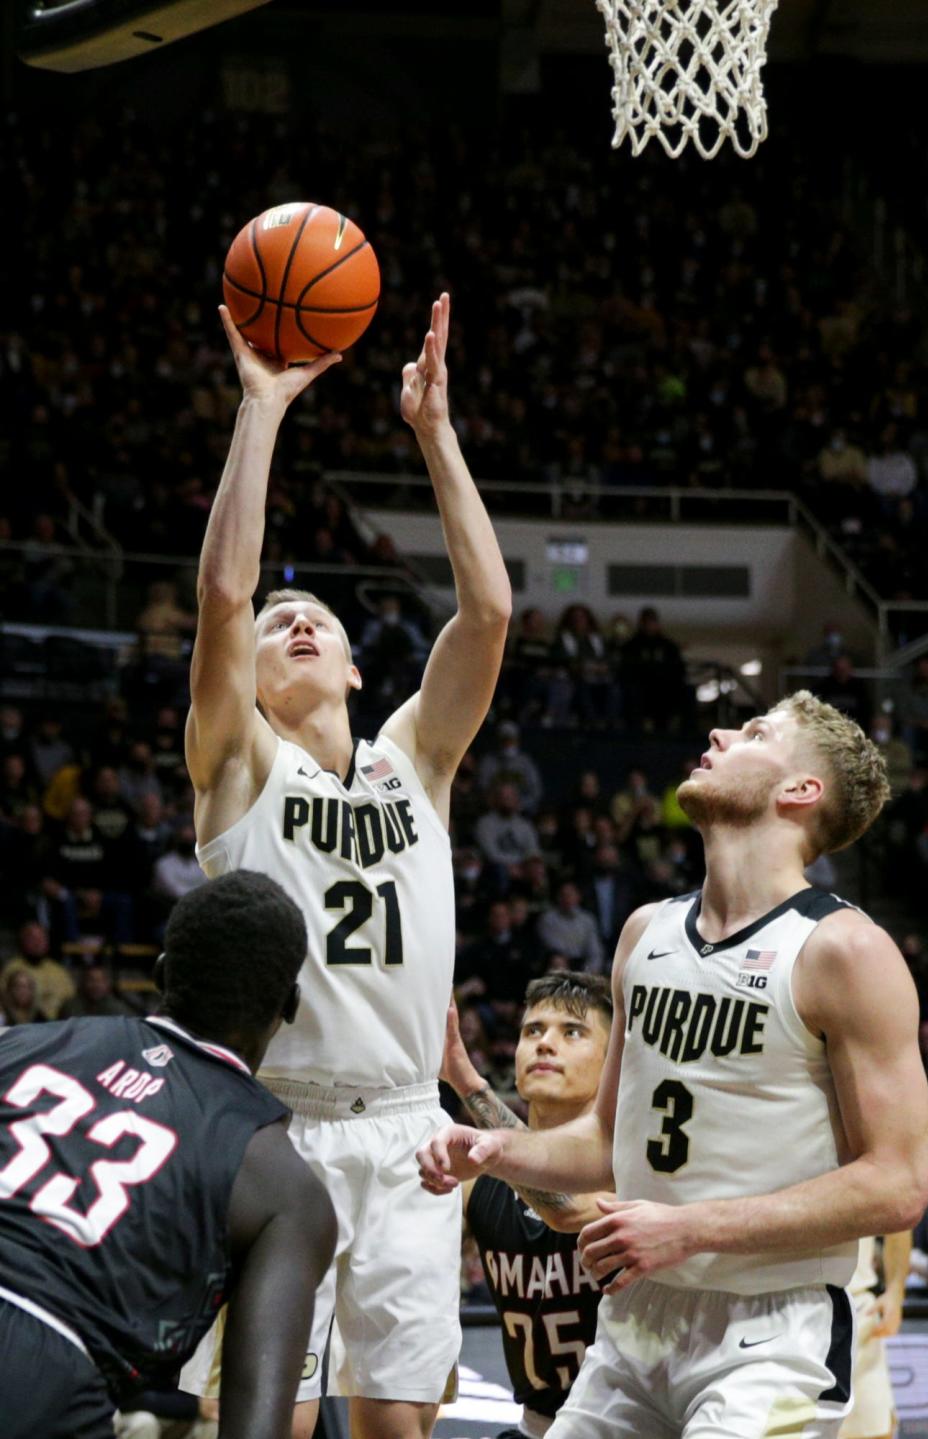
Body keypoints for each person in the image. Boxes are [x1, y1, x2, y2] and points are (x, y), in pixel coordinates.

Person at [418, 690, 928, 1439]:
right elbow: (605, 1144)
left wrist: (690, 1227)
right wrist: (497, 1149)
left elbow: (899, 1181)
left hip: (770, 1330)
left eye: (756, 732)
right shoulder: (643, 933)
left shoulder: (845, 951)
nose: (720, 732)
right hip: (634, 1321)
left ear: (801, 790)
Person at [180, 294, 511, 1439]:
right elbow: (224, 598)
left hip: (410, 1127)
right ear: (254, 674)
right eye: (281, 627)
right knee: (261, 1417)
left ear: (364, 668)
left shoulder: (414, 759)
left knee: (396, 1428)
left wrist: (436, 433)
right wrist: (261, 408)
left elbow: (490, 611)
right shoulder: (238, 765)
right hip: (282, 1125)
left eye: (318, 616)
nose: (297, 625)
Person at [0, 869, 336, 1439]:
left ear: (161, 975)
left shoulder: (21, 1046)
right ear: (290, 1005)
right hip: (38, 1379)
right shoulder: (284, 1187)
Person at [442, 975, 614, 1439]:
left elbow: (565, 1207)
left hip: (634, 1426)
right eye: (532, 1031)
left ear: (614, 1061)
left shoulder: (636, 1166)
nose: (545, 1044)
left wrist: (466, 1080)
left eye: (571, 1032)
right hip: (537, 1427)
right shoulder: (478, 1185)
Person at [839, 1232, 911, 1439]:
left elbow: (900, 1214)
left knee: (874, 1430)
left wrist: (896, 1291)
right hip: (774, 1310)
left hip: (856, 1305)